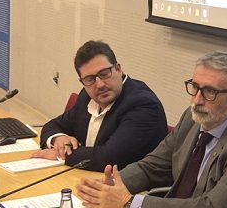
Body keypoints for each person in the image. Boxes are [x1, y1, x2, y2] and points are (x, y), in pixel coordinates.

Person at [75, 51, 227, 208]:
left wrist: (128, 203)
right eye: (195, 87)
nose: (197, 100)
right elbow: (152, 166)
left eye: (209, 91)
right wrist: (107, 187)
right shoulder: (192, 119)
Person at [34, 40, 167, 171]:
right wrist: (58, 138)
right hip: (87, 176)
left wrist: (62, 155)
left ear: (118, 69)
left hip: (126, 182)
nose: (100, 85)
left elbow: (108, 158)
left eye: (104, 74)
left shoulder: (143, 105)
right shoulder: (87, 96)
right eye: (90, 79)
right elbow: (52, 125)